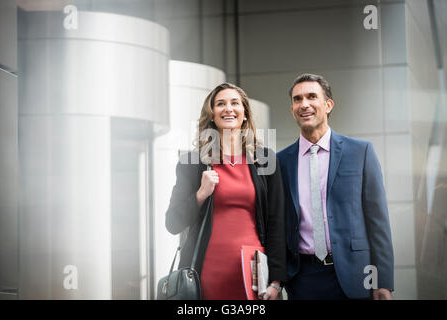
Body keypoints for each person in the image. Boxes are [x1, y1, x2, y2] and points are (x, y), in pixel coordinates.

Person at [277, 73, 394, 300]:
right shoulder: (281, 162)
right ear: (292, 109)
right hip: (302, 279)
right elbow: (277, 226)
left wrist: (383, 281)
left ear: (328, 105)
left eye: (312, 97)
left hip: (356, 276)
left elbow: (378, 222)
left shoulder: (361, 152)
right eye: (297, 99)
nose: (304, 104)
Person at [165, 82, 287, 300]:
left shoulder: (266, 160)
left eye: (235, 103)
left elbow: (277, 223)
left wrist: (276, 282)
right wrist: (201, 193)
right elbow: (172, 222)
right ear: (212, 114)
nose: (228, 109)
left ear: (245, 113)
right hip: (205, 274)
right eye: (220, 104)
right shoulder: (192, 162)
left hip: (255, 276)